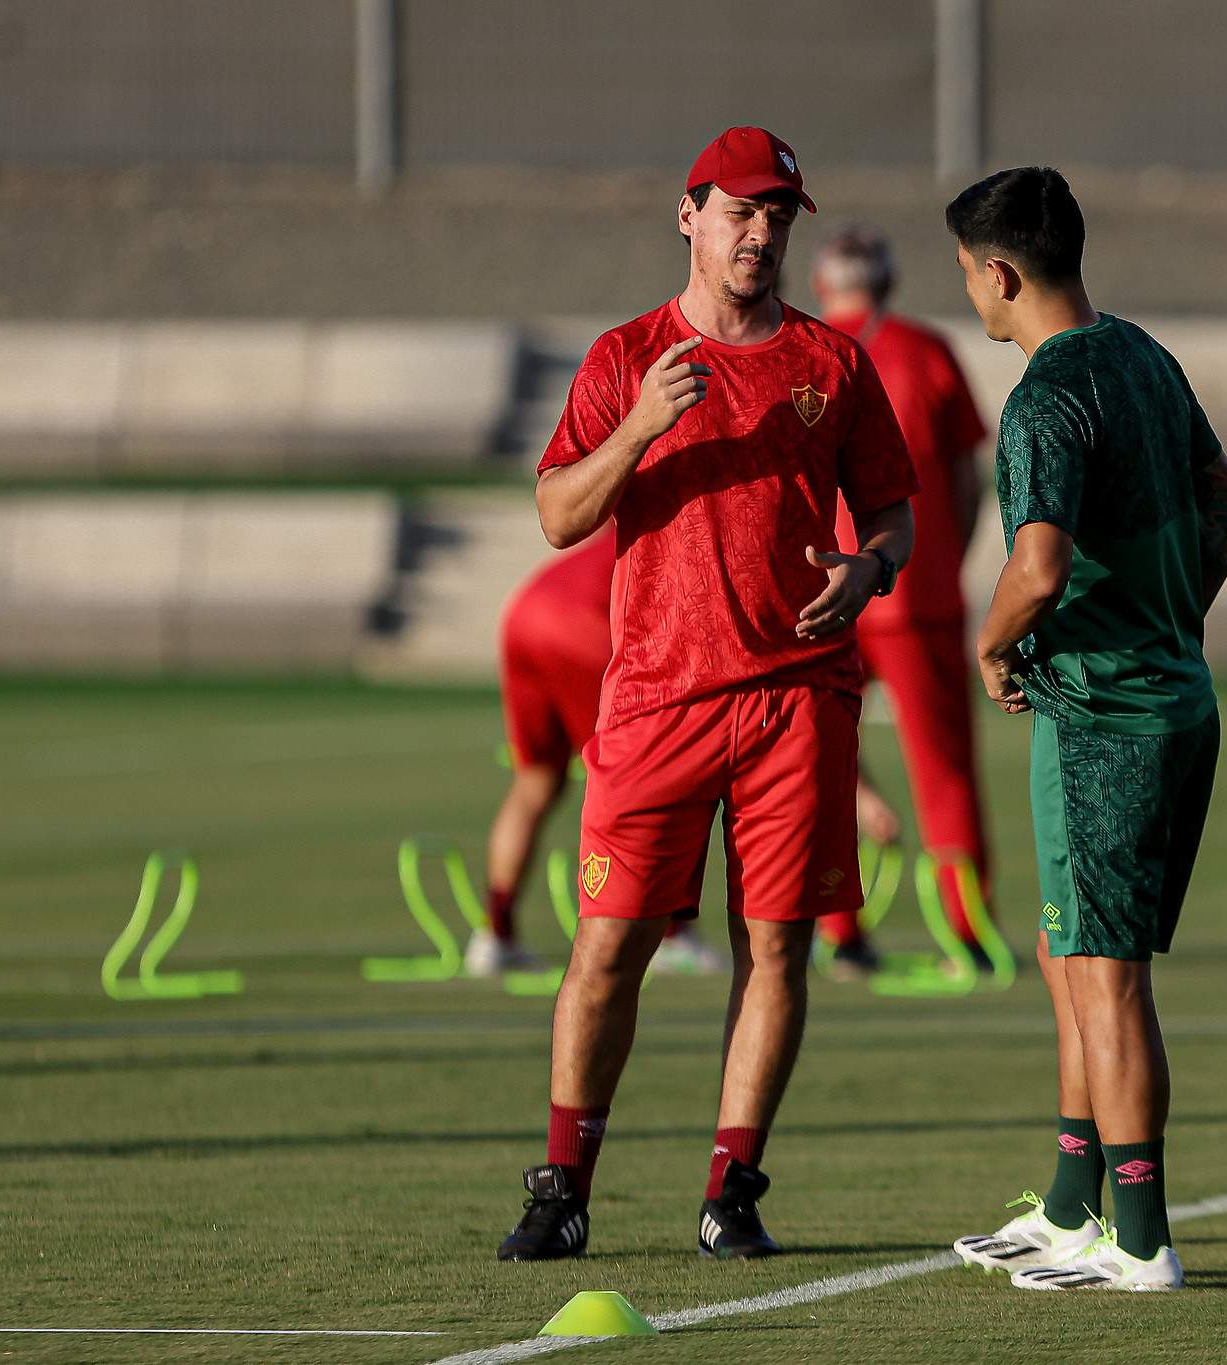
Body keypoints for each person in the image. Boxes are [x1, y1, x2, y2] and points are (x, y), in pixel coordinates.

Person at [496, 126, 917, 1262]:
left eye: (779, 214)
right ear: (687, 214)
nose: (762, 233)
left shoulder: (831, 363)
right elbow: (555, 515)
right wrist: (642, 424)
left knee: (774, 952)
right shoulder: (625, 353)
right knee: (606, 948)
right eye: (741, 211)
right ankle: (562, 1185)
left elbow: (894, 514)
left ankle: (730, 1190)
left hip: (796, 702)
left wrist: (870, 569)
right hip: (655, 701)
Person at [942, 167, 1227, 1292]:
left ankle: (1139, 1239)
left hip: (1101, 719)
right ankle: (1074, 1206)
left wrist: (989, 645)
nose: (969, 297)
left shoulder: (1044, 393)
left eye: (967, 278)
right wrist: (1169, 613)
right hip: (1171, 699)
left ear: (1000, 273)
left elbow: (1035, 563)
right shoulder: (1142, 354)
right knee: (1066, 948)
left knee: (1107, 975)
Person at [810, 225, 995, 976]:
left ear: (824, 284)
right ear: (887, 283)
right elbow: (965, 480)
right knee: (944, 769)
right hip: (917, 587)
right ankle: (967, 930)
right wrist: (946, 551)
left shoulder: (802, 352)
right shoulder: (926, 351)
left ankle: (837, 930)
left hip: (825, 589)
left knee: (820, 760)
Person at [480, 524, 728, 977]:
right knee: (653, 772)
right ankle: (671, 934)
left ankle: (495, 934)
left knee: (536, 781)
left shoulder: (629, 521)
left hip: (525, 613)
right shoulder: (685, 534)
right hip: (578, 622)